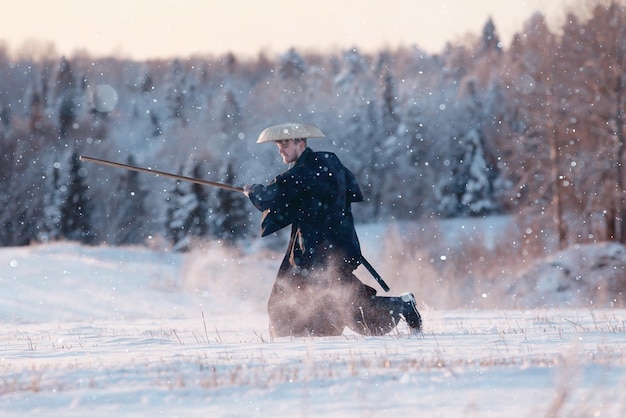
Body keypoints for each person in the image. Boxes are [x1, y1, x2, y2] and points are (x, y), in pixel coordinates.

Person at [244, 122, 422, 338]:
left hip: (318, 251)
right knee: (336, 301)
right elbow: (326, 196)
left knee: (342, 304)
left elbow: (268, 198)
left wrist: (253, 190)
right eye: (278, 145)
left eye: (284, 144)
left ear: (300, 143)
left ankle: (401, 304)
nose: (280, 149)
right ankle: (315, 337)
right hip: (337, 245)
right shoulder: (329, 163)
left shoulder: (303, 172)